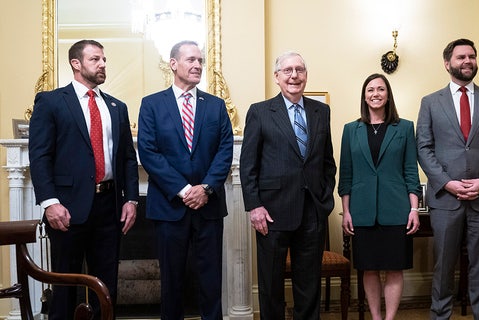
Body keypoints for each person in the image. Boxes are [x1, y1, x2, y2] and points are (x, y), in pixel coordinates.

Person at [28, 39, 139, 319]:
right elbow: (40, 156)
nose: (102, 64)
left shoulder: (117, 106)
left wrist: (132, 200)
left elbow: (127, 157)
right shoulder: (51, 101)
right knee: (65, 285)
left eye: (104, 60)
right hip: (66, 208)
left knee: (106, 286)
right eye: (95, 59)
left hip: (109, 206)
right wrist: (50, 203)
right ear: (75, 64)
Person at [416, 38, 479, 319]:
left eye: (472, 56)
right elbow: (424, 147)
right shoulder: (431, 102)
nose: (467, 61)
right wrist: (447, 182)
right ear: (447, 63)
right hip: (446, 200)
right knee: (443, 266)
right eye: (461, 57)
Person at [137, 40, 234, 320]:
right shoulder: (152, 104)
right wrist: (183, 190)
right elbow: (149, 152)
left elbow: (225, 150)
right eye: (191, 60)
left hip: (209, 206)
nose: (197, 65)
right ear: (173, 64)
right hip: (169, 208)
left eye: (200, 61)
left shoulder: (215, 106)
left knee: (211, 279)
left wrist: (205, 188)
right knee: (171, 280)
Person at [239, 51, 336, 320]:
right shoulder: (260, 112)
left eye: (300, 70)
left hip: (312, 213)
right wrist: (254, 206)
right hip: (271, 213)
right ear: (277, 77)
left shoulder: (321, 111)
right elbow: (248, 165)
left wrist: (324, 201)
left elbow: (328, 162)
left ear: (306, 75)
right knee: (271, 285)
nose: (294, 75)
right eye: (288, 70)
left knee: (309, 284)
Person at [338, 73, 421, 320]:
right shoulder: (350, 130)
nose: (375, 94)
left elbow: (410, 172)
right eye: (370, 90)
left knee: (395, 269)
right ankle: (375, 317)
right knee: (369, 269)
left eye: (380, 89)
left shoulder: (404, 127)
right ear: (364, 96)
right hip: (362, 211)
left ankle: (389, 318)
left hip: (396, 210)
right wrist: (347, 211)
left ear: (388, 94)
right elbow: (346, 175)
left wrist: (414, 209)